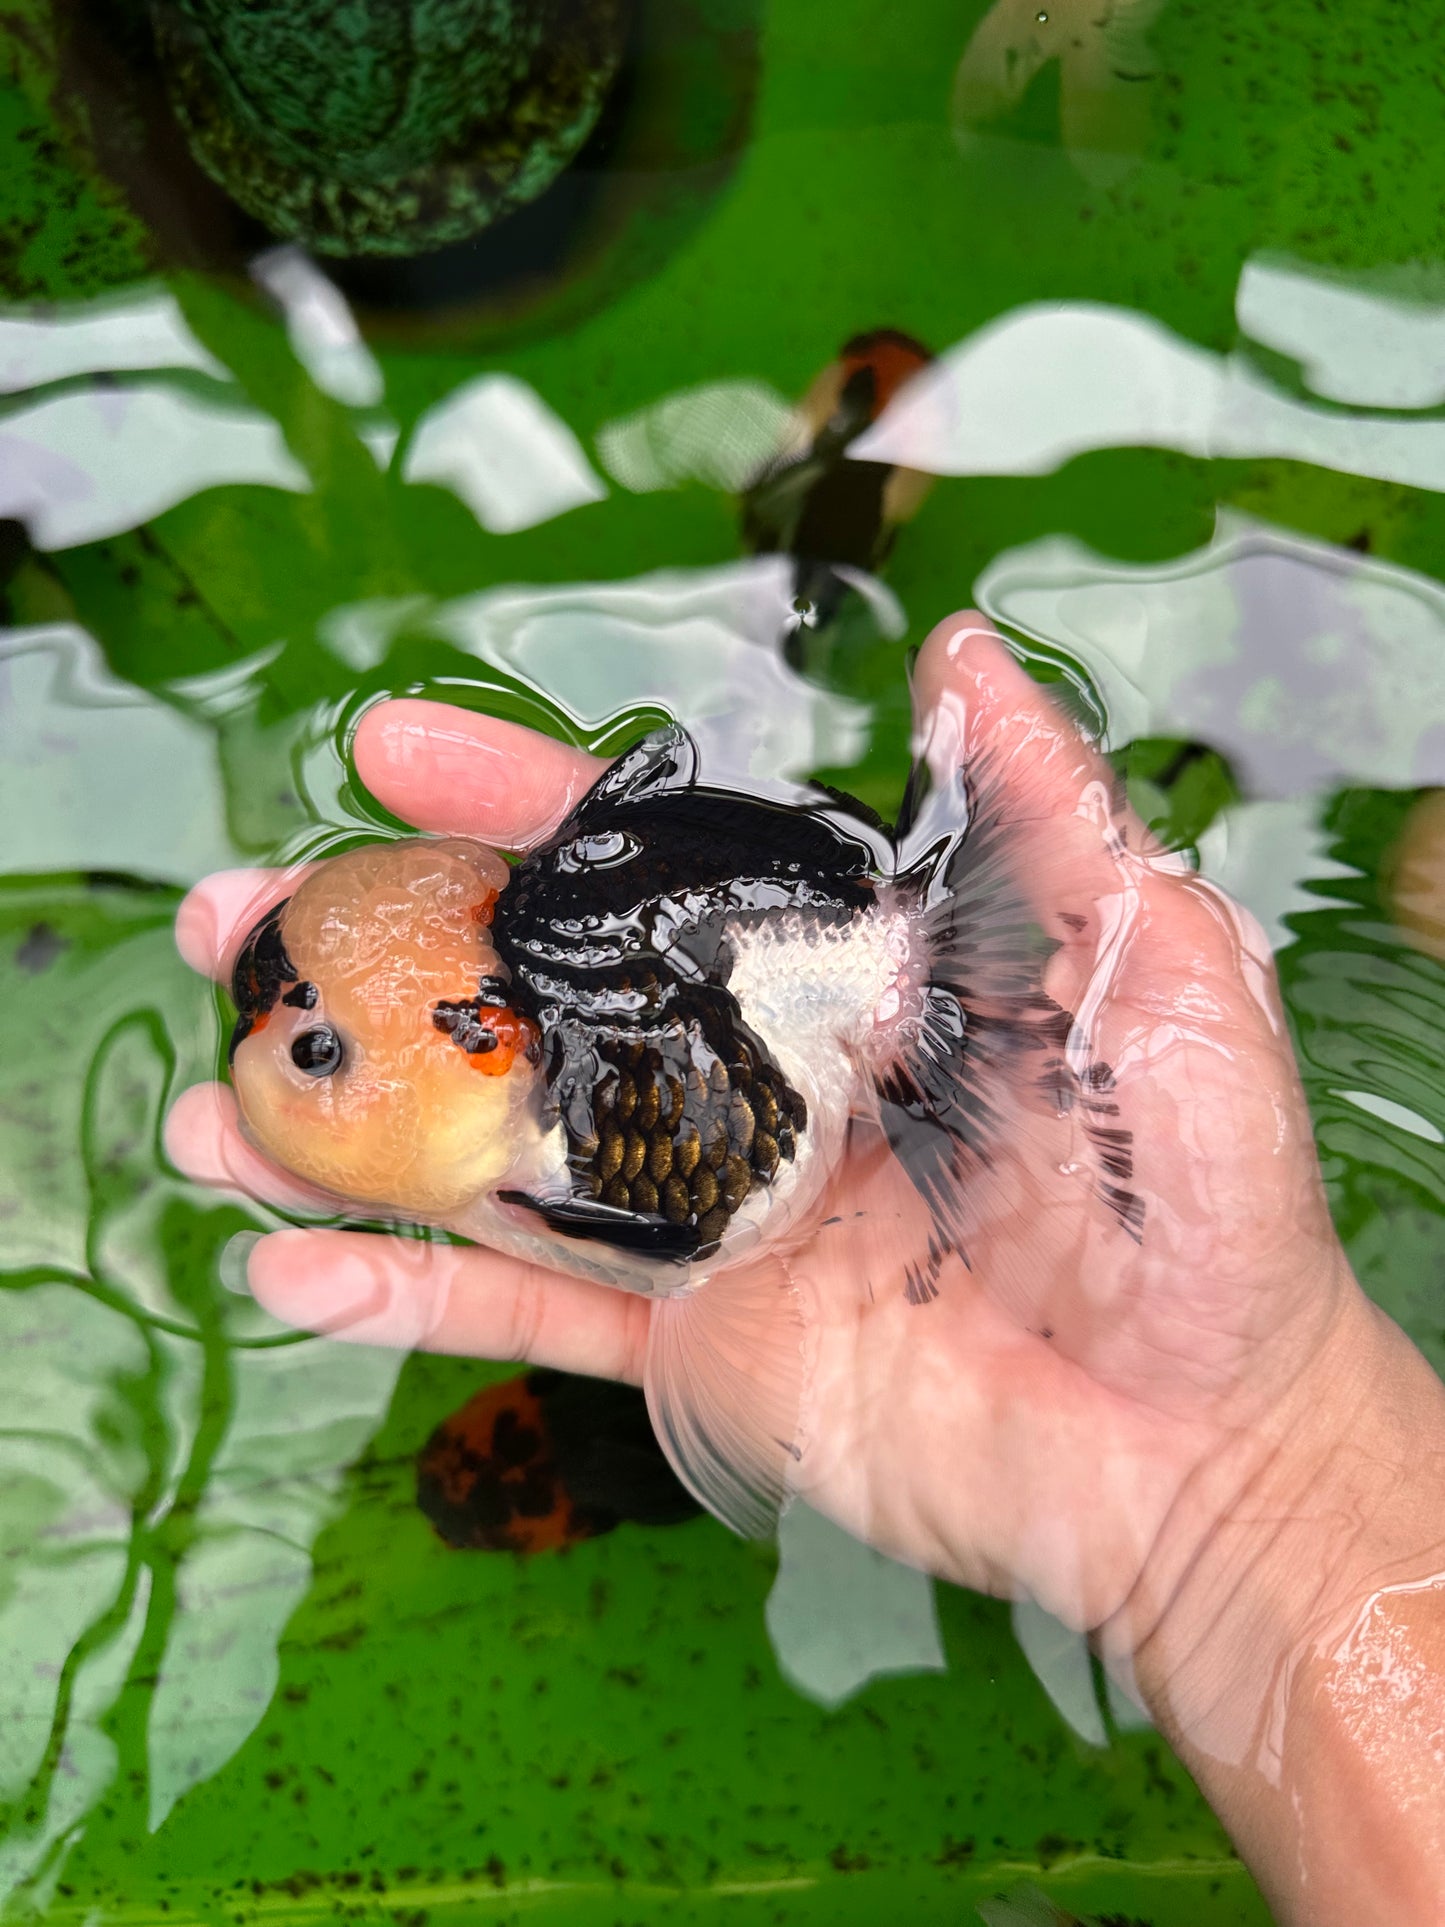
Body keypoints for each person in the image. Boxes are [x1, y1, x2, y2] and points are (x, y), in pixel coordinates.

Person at [166, 614, 1445, 1924]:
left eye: (316, 1049)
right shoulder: (529, 1075)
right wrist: (1256, 1476)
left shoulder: (578, 1124)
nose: (273, 1056)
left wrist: (1251, 1464)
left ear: (490, 1044)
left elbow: (676, 1239)